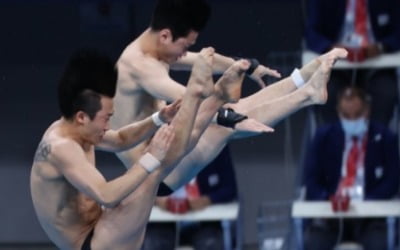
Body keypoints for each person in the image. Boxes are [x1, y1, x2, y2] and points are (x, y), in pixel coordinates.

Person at [112, 0, 349, 195]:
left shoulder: (157, 45)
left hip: (163, 152)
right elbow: (191, 101)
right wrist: (231, 118)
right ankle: (307, 94)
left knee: (235, 109)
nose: (185, 53)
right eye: (185, 46)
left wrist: (246, 66)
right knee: (224, 125)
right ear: (165, 36)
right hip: (151, 171)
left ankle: (302, 79)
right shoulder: (140, 67)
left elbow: (201, 61)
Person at [30, 47, 253, 250]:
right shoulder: (60, 147)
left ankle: (211, 99)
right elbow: (106, 195)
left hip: (101, 226)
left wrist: (158, 118)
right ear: (82, 117)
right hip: (93, 243)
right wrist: (151, 157)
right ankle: (205, 96)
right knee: (155, 167)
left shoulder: (80, 128)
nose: (108, 126)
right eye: (106, 119)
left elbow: (120, 139)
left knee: (157, 165)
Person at [302, 86, 400, 250]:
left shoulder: (385, 137)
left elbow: (393, 180)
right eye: (347, 116)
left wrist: (366, 203)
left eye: (357, 115)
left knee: (379, 242)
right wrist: (327, 199)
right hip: (331, 215)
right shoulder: (323, 137)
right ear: (338, 112)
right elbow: (311, 179)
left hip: (371, 216)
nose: (352, 120)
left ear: (367, 110)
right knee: (314, 241)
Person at [305, 0, 400, 125]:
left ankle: (376, 140)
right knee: (326, 92)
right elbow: (311, 33)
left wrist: (381, 47)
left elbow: (397, 32)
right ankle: (336, 140)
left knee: (385, 92)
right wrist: (330, 48)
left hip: (376, 63)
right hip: (336, 65)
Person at [142, 145, 237, 250]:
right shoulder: (158, 143)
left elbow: (230, 189)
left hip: (205, 223)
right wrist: (156, 199)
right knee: (155, 243)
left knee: (211, 243)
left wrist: (208, 200)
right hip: (163, 223)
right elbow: (140, 188)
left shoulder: (218, 144)